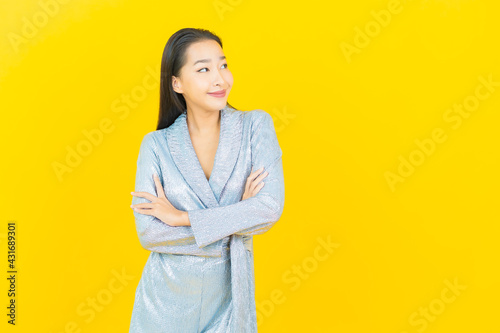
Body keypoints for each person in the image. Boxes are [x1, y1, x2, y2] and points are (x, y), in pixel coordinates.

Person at [128, 27, 285, 332]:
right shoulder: (156, 145)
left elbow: (269, 208)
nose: (220, 78)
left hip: (229, 303)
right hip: (163, 305)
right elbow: (149, 234)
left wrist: (181, 217)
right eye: (204, 69)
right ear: (177, 83)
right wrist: (237, 219)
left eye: (223, 65)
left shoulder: (255, 127)